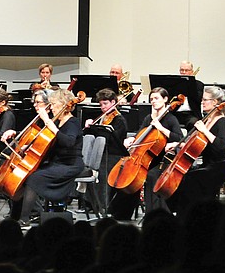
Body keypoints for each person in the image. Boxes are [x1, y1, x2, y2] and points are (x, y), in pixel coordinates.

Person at [108, 87, 184, 220]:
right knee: (129, 176)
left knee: (150, 176)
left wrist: (160, 128)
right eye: (151, 99)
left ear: (165, 99)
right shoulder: (148, 118)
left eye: (156, 98)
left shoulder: (171, 119)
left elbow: (178, 137)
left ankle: (155, 215)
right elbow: (140, 135)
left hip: (162, 161)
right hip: (146, 158)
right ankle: (121, 213)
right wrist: (132, 139)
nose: (153, 102)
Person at [159, 85, 225, 215]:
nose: (202, 102)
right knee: (182, 179)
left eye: (206, 100)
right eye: (202, 100)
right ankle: (182, 215)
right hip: (208, 164)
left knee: (190, 180)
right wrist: (178, 144)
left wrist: (204, 130)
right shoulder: (208, 119)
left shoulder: (222, 121)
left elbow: (220, 147)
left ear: (215, 102)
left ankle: (190, 215)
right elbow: (199, 146)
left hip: (221, 166)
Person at [16, 88, 83, 226]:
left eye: (53, 104)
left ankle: (24, 219)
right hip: (57, 162)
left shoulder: (72, 122)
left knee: (34, 178)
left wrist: (50, 124)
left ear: (63, 104)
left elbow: (68, 142)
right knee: (24, 174)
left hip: (70, 164)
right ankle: (18, 215)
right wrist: (28, 148)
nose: (50, 107)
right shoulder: (58, 122)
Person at [82, 88, 129, 216]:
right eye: (101, 104)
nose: (102, 107)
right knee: (87, 165)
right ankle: (90, 203)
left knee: (102, 167)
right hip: (102, 153)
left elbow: (115, 141)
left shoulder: (119, 120)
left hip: (115, 155)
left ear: (113, 102)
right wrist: (89, 127)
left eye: (105, 104)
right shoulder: (103, 118)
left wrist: (103, 130)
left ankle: (101, 205)